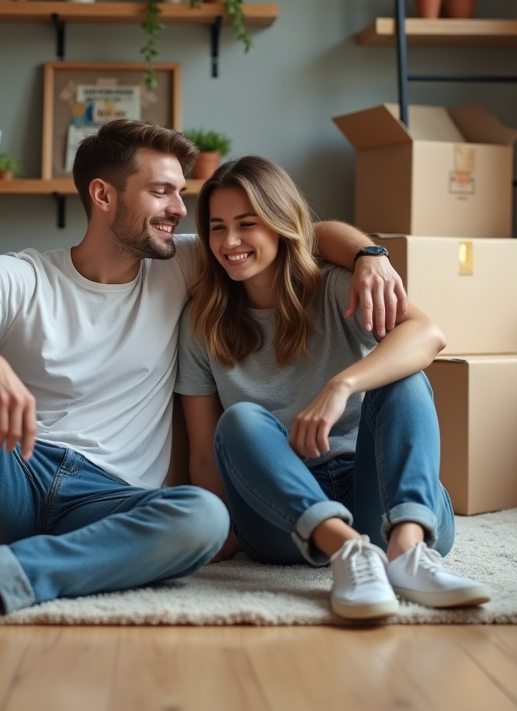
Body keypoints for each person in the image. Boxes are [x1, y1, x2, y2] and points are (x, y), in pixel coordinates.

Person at [0, 121, 411, 641]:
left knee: (202, 517)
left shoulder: (184, 260)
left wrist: (370, 255)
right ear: (103, 194)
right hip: (12, 471)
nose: (181, 210)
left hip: (107, 501)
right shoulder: (22, 275)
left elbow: (291, 231)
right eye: (162, 192)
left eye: (181, 193)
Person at [177, 156, 492, 621]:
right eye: (217, 228)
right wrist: (220, 525)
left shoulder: (335, 288)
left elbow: (429, 335)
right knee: (239, 420)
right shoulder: (202, 323)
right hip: (284, 514)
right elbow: (206, 453)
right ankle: (350, 553)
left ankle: (407, 552)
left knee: (405, 376)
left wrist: (342, 385)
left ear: (281, 224)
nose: (230, 242)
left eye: (248, 224)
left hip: (377, 492)